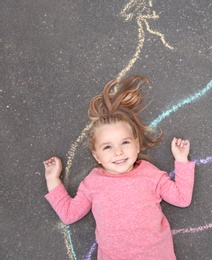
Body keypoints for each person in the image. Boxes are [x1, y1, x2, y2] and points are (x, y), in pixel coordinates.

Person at [43, 76, 195, 260]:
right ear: (96, 155)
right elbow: (69, 214)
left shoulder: (149, 174)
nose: (118, 152)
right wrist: (53, 180)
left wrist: (181, 160)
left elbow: (181, 198)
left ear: (137, 146)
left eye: (125, 142)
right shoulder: (93, 182)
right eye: (107, 147)